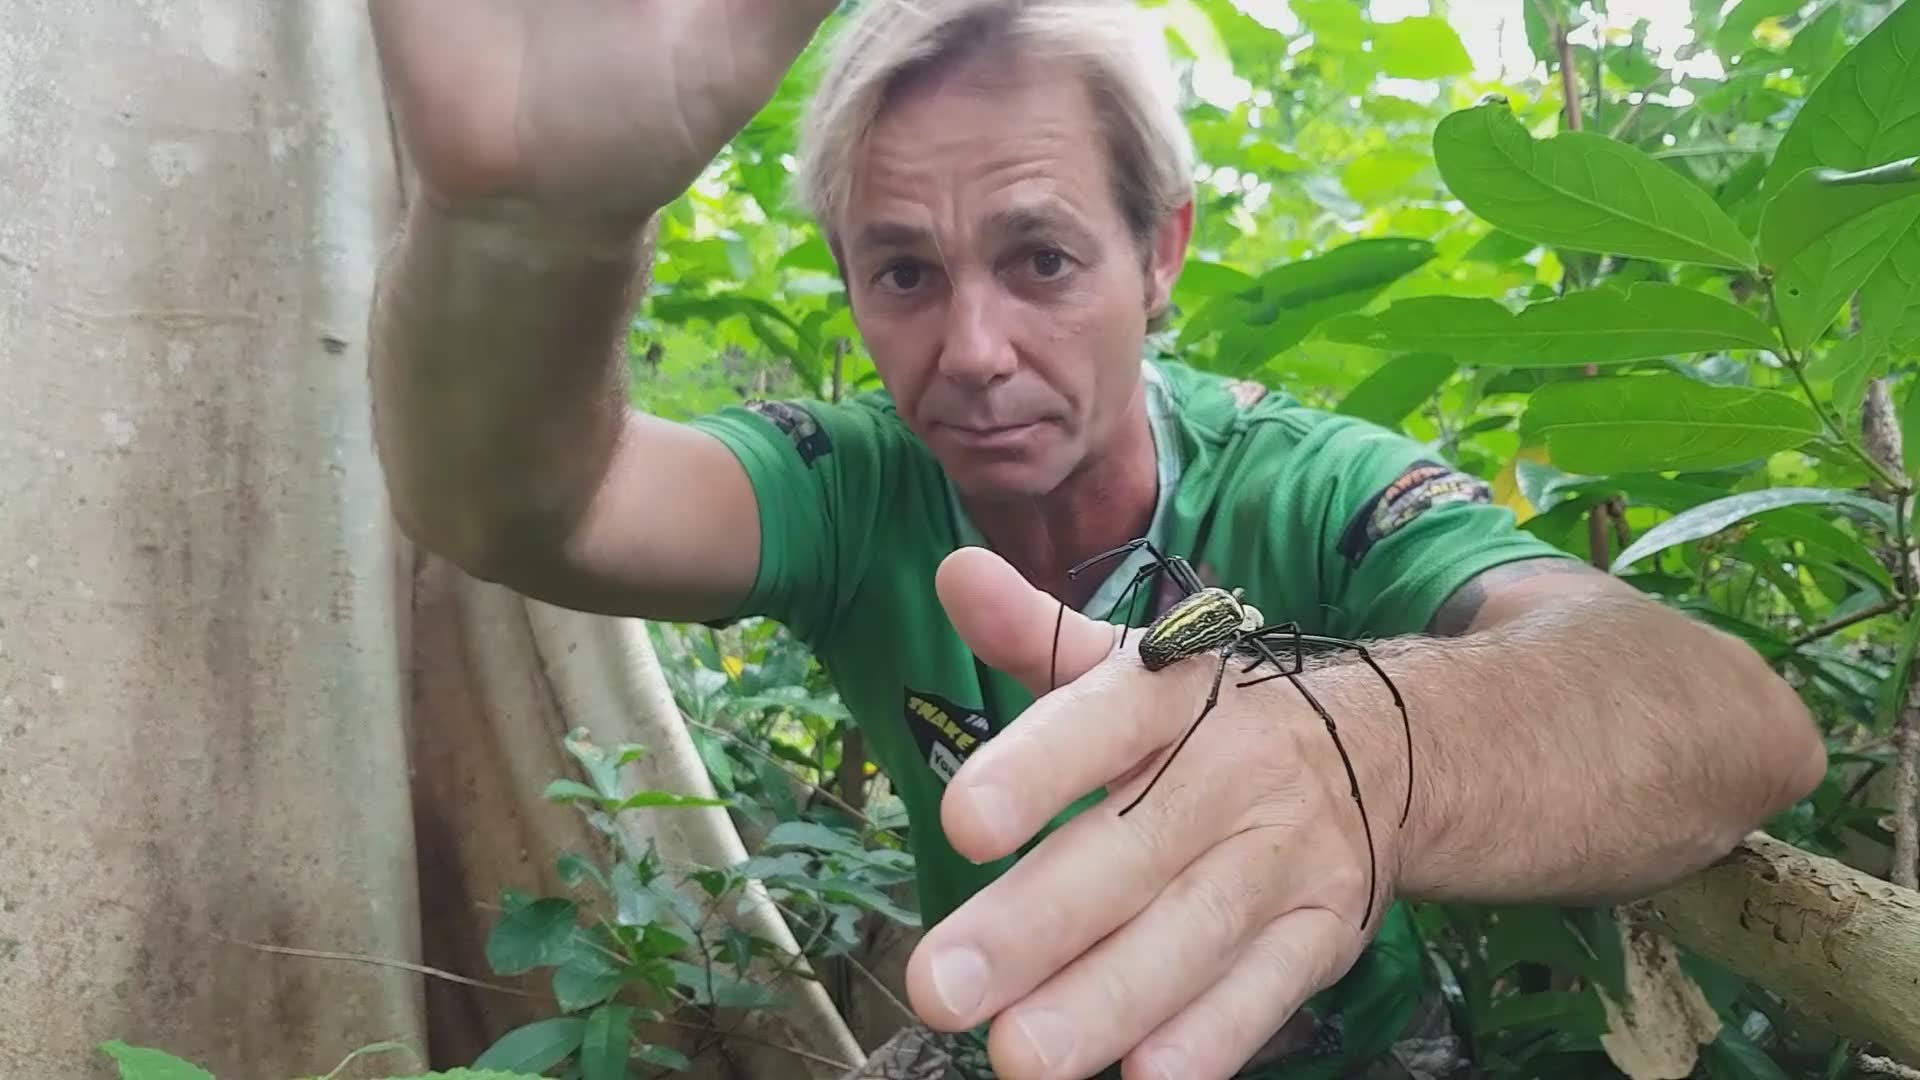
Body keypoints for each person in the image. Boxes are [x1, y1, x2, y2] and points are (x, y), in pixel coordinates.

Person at [363, 0, 1829, 1077]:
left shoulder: (1303, 483)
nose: (976, 349)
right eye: (904, 272)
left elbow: (1729, 714)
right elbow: (520, 504)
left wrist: (1364, 749)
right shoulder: (854, 485)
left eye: (1043, 257)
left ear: (1162, 251)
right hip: (1008, 1039)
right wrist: (523, 239)